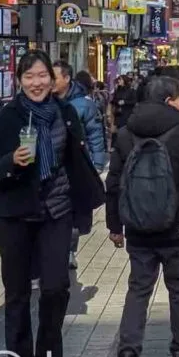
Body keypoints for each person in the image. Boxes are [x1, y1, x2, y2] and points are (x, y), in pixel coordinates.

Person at [0, 50, 105, 357]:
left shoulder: (65, 114)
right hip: (16, 213)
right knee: (17, 294)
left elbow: (77, 157)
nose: (37, 83)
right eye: (29, 77)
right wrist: (11, 160)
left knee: (55, 288)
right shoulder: (6, 119)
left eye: (42, 76)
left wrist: (89, 197)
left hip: (56, 209)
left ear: (53, 80)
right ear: (19, 81)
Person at [107, 76, 179, 357]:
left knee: (138, 289)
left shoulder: (124, 134)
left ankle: (127, 354)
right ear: (166, 101)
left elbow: (113, 184)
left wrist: (115, 226)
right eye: (178, 98)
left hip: (137, 227)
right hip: (176, 228)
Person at [52, 61, 107, 270]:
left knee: (74, 212)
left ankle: (69, 251)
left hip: (77, 165)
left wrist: (98, 163)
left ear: (66, 78)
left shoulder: (83, 104)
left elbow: (95, 134)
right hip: (55, 167)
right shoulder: (44, 102)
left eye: (54, 76)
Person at [110, 76, 138, 146]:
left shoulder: (131, 91)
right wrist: (117, 102)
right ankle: (116, 145)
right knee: (117, 131)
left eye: (120, 80)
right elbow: (113, 100)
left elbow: (134, 101)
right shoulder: (117, 90)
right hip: (118, 113)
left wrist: (125, 102)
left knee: (125, 130)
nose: (118, 81)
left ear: (124, 81)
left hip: (127, 113)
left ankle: (126, 145)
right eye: (118, 80)